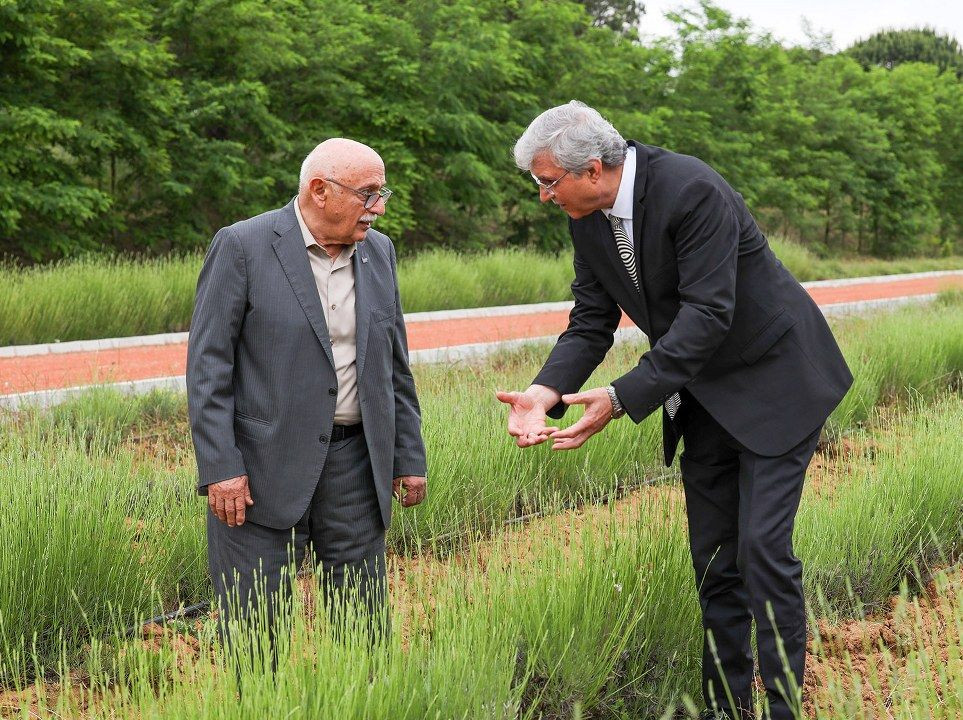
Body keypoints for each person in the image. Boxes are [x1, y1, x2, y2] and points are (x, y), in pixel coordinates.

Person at [497, 102, 852, 720]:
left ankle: (785, 708)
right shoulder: (590, 217)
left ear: (596, 167)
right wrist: (544, 392)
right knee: (715, 562)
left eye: (549, 182)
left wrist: (618, 398)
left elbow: (708, 315)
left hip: (775, 383)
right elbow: (590, 321)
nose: (544, 197)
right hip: (702, 394)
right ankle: (724, 706)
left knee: (762, 552)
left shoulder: (690, 189)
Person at [187, 138, 427, 648]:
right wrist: (220, 468)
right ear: (320, 190)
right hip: (258, 471)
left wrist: (408, 454)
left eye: (382, 192)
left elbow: (394, 365)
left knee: (363, 631)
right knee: (256, 635)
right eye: (368, 194)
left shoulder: (378, 253)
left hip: (356, 466)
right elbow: (209, 368)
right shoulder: (242, 246)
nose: (379, 208)